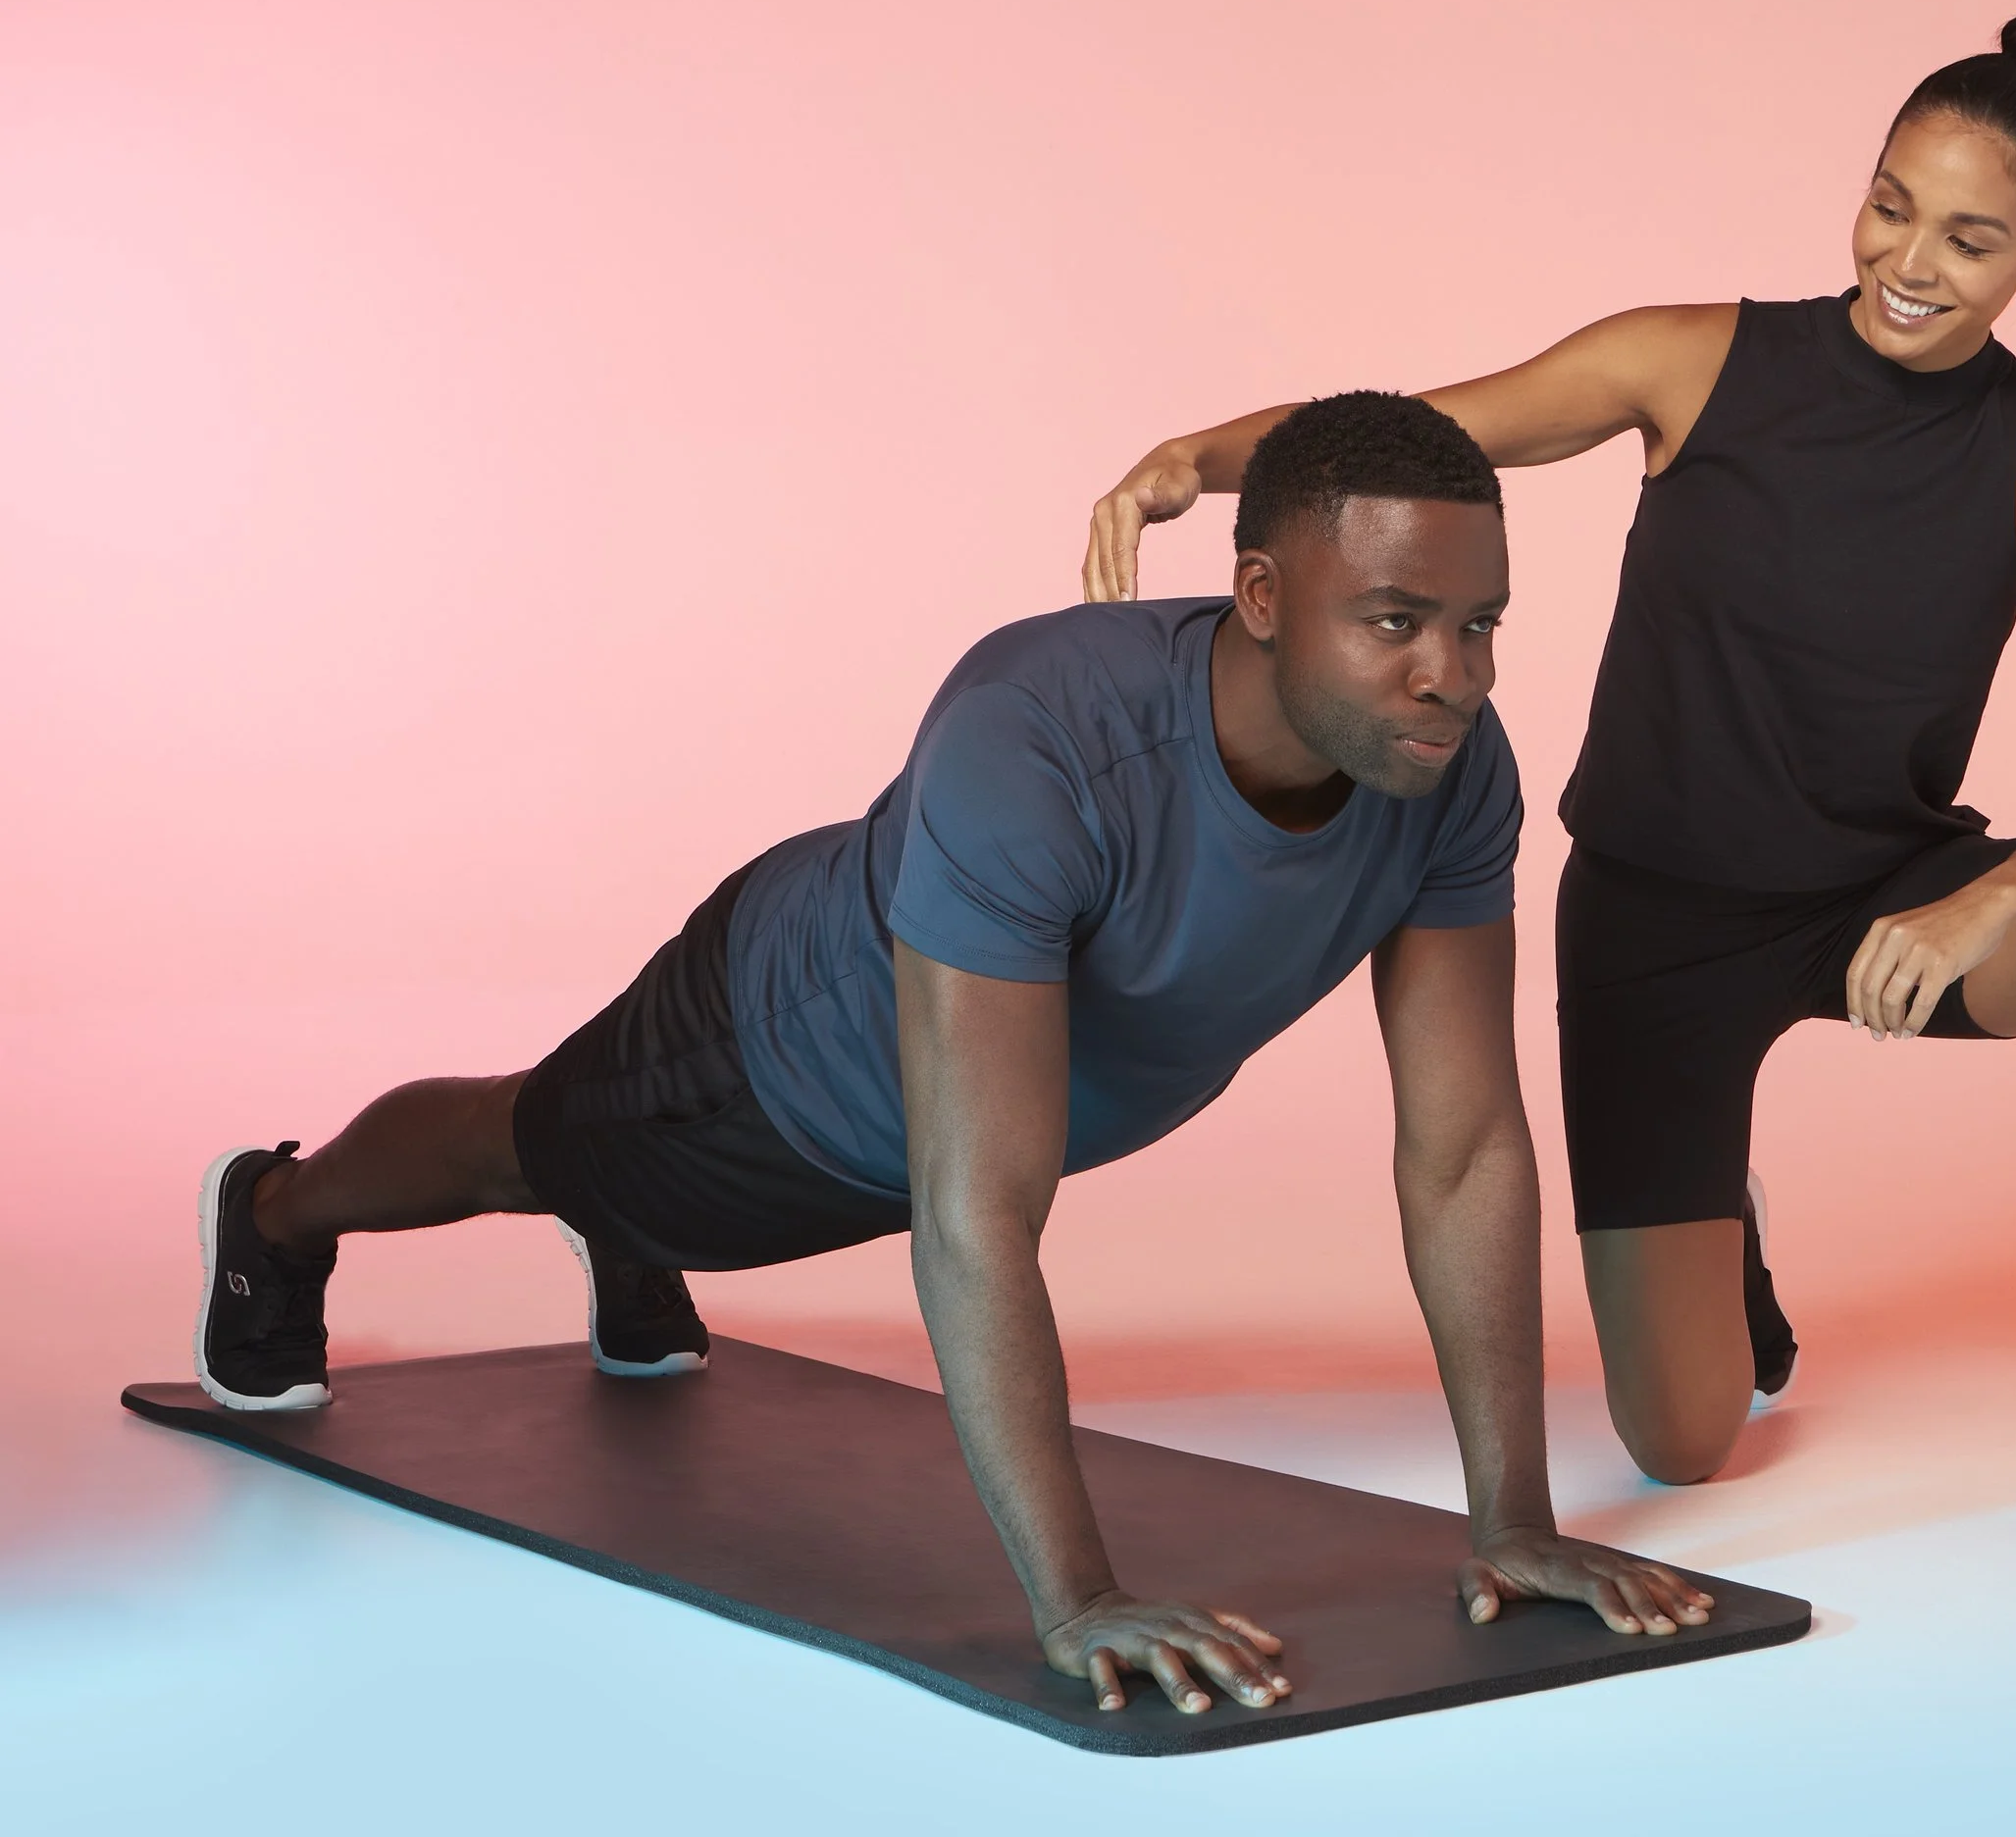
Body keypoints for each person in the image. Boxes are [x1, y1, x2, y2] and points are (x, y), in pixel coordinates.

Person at [192, 393, 1719, 1715]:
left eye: (1480, 622)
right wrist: (1076, 1599)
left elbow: (1461, 1147)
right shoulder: (1036, 732)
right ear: (1261, 592)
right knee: (525, 1146)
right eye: (1397, 620)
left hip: (912, 1126)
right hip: (764, 1062)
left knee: (620, 1194)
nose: (1456, 672)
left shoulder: (1443, 771)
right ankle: (272, 1212)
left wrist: (1511, 1516)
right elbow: (977, 1208)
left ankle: (629, 1235)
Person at [1081, 17, 2016, 1560]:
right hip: (1655, 925)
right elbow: (1427, 436)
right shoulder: (1693, 361)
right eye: (1891, 202)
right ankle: (1730, 1228)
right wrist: (1201, 455)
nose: (1910, 259)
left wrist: (1989, 897)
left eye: (1973, 239)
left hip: (1887, 900)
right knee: (1687, 1444)